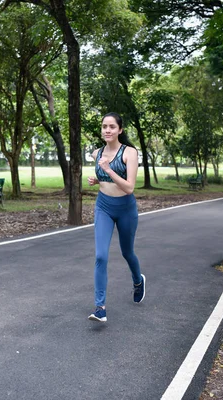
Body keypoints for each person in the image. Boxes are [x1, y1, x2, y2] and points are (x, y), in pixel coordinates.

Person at [86, 112, 145, 323]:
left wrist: (108, 170)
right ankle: (100, 307)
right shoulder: (97, 153)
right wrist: (97, 179)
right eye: (104, 127)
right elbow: (103, 177)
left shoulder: (130, 153)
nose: (107, 130)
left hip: (126, 208)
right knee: (101, 256)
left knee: (127, 252)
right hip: (103, 207)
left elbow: (129, 187)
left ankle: (138, 281)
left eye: (112, 127)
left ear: (120, 130)